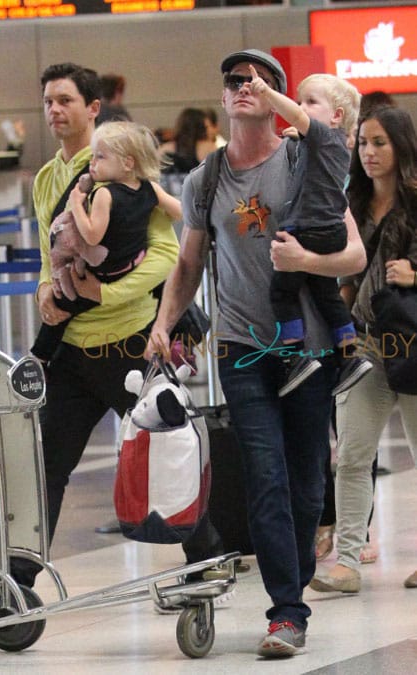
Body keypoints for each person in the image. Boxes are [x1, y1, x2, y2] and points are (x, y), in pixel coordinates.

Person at [145, 48, 366, 658]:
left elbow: (355, 256)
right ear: (223, 98)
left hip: (310, 350)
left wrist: (306, 263)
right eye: (235, 81)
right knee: (265, 477)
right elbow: (189, 262)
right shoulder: (205, 179)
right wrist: (166, 322)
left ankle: (291, 580)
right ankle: (286, 611)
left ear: (277, 98)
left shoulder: (301, 159)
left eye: (259, 81)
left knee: (304, 484)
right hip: (241, 347)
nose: (245, 87)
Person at [4, 62, 179, 589]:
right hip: (73, 353)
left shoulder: (125, 173)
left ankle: (208, 555)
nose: (55, 110)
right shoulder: (46, 178)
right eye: (48, 101)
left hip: (127, 344)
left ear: (93, 108)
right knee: (47, 466)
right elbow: (46, 250)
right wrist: (42, 289)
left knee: (168, 455)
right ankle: (18, 582)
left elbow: (167, 254)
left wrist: (104, 293)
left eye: (66, 101)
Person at [310, 105, 417, 594]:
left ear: (401, 146)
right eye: (363, 143)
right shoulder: (349, 205)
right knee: (352, 455)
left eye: (380, 143)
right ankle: (347, 561)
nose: (369, 153)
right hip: (366, 345)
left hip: (414, 344)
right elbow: (347, 280)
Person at [255, 71, 371, 398]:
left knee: (282, 293)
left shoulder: (324, 137)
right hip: (330, 230)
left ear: (336, 116)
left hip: (309, 229)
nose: (301, 106)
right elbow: (304, 130)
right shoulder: (332, 142)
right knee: (327, 296)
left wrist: (266, 92)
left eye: (310, 102)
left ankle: (294, 359)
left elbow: (295, 117)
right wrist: (299, 131)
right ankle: (350, 356)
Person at [31, 120, 181, 364]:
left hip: (103, 269)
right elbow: (180, 212)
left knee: (64, 301)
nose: (92, 163)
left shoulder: (103, 194)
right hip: (130, 264)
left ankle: (39, 356)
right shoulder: (151, 189)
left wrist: (78, 204)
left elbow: (91, 235)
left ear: (127, 162)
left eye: (100, 157)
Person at [159, 107, 217, 196]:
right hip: (197, 199)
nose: (210, 130)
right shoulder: (208, 147)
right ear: (201, 128)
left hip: (170, 198)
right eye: (207, 127)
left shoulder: (165, 149)